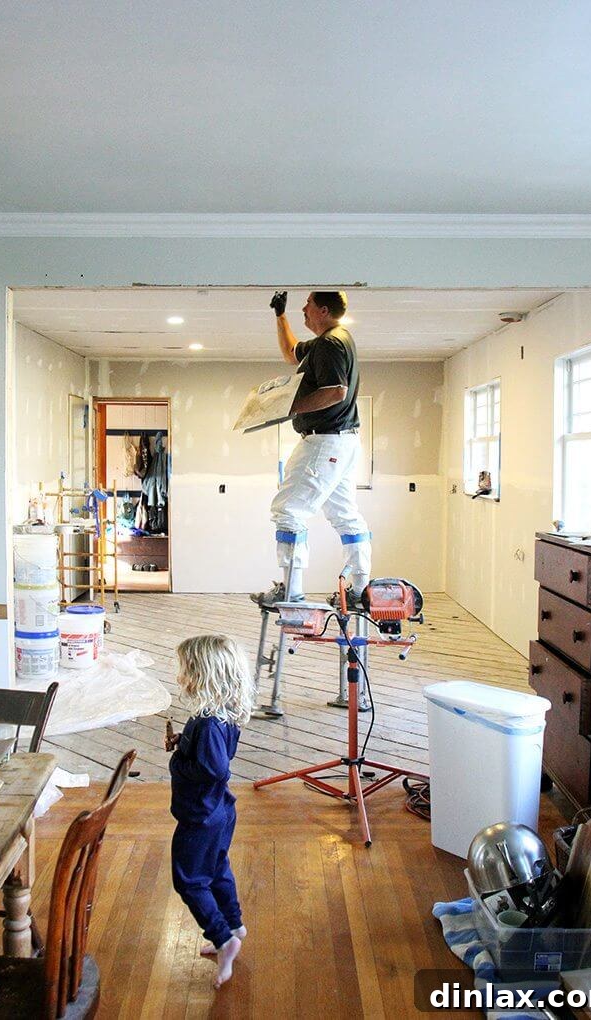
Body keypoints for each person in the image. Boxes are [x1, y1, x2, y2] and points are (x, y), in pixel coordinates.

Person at [251, 290, 372, 608]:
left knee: (288, 511)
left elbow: (336, 391)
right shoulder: (327, 343)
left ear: (322, 310)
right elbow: (292, 352)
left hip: (325, 439)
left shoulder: (332, 343)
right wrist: (280, 316)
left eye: (307, 305)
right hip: (341, 441)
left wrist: (290, 407)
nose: (303, 309)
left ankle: (291, 591)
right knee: (344, 514)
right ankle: (360, 588)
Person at [165, 634, 253, 989]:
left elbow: (214, 769)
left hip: (199, 817)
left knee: (188, 880)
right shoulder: (219, 716)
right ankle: (234, 923)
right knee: (217, 869)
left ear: (203, 675)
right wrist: (182, 745)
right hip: (219, 811)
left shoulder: (207, 724)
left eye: (184, 669)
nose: (179, 676)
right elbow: (208, 755)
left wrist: (177, 763)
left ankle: (223, 939)